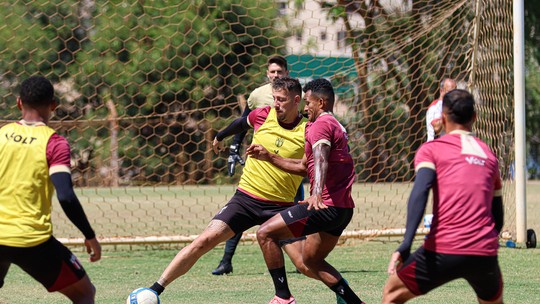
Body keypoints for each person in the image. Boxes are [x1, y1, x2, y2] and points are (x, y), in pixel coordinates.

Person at [147, 77, 315, 298]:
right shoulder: (263, 115)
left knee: (304, 264)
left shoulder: (308, 130)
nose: (276, 103)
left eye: (281, 99)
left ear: (296, 100)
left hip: (281, 206)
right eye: (274, 98)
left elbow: (309, 169)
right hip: (245, 200)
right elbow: (241, 122)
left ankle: (344, 294)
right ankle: (154, 289)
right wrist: (220, 136)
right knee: (203, 241)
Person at [247, 78, 365, 304]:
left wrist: (316, 192)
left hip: (324, 205)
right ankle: (354, 301)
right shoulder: (335, 125)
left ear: (321, 102)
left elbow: (320, 158)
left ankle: (283, 298)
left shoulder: (321, 125)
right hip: (342, 210)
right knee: (311, 260)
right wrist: (269, 157)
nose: (305, 107)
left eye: (308, 102)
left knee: (265, 233)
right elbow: (303, 167)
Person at [382, 89, 504, 304]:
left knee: (392, 294)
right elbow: (498, 216)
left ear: (443, 118)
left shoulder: (432, 150)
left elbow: (420, 192)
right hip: (484, 252)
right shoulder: (489, 155)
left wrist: (406, 244)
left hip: (443, 248)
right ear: (474, 118)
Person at [0, 76, 102, 303]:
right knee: (85, 293)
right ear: (53, 105)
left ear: (18, 103)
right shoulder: (54, 143)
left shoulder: (1, 136)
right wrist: (89, 235)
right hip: (32, 241)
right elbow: (65, 196)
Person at [212, 55, 305, 275]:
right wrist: (234, 148)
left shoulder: (293, 96)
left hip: (288, 166)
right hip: (260, 164)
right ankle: (226, 260)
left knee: (292, 215)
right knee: (241, 211)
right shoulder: (257, 96)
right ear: (267, 73)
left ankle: (303, 260)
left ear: (286, 73)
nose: (275, 75)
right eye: (272, 72)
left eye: (279, 72)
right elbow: (243, 121)